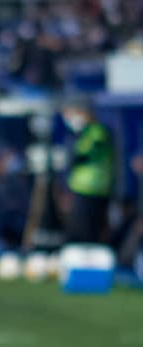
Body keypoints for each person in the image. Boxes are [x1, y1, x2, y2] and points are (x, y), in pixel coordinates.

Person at [60, 98, 116, 244]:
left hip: (94, 190)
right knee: (78, 230)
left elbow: (86, 155)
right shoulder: (81, 133)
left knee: (89, 232)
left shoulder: (97, 131)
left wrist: (71, 155)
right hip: (81, 189)